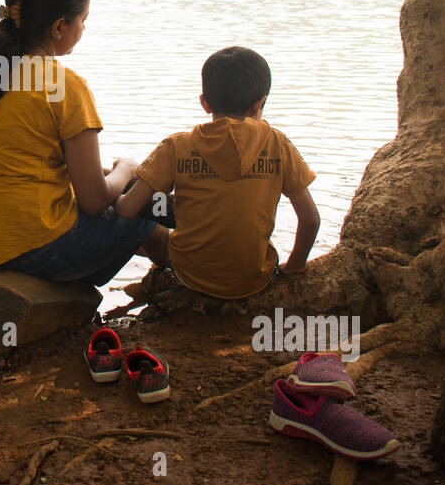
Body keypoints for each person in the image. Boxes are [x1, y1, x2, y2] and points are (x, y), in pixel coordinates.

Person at [0, 0, 168, 287]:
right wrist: (128, 168)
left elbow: (28, 162)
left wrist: (115, 176)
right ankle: (194, 279)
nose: (84, 29)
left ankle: (162, 280)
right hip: (41, 250)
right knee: (143, 212)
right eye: (83, 20)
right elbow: (94, 201)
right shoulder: (63, 84)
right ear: (59, 26)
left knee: (126, 203)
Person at [115, 46, 319, 300]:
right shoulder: (277, 144)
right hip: (253, 279)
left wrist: (121, 178)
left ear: (205, 103)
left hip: (190, 275)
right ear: (260, 104)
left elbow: (126, 210)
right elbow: (311, 220)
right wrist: (296, 264)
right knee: (170, 203)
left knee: (147, 216)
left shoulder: (177, 146)